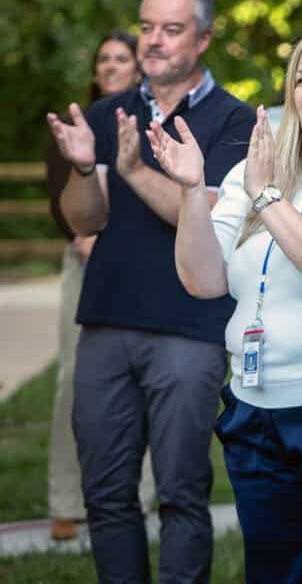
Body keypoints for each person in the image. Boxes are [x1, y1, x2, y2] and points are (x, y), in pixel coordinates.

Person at [148, 22, 302, 584]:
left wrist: (269, 199)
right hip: (252, 410)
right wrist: (193, 191)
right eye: (301, 78)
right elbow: (203, 279)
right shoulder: (257, 167)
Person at [46, 0, 254, 583]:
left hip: (187, 331)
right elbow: (84, 218)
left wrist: (132, 168)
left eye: (171, 29)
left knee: (181, 495)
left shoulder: (231, 120)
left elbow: (210, 215)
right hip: (106, 322)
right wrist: (87, 166)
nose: (153, 41)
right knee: (106, 496)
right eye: (146, 27)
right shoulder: (110, 114)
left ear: (205, 37)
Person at [45, 30, 157, 542]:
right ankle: (67, 501)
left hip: (140, 267)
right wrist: (86, 240)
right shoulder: (77, 123)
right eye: (103, 58)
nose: (111, 65)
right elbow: (61, 198)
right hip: (86, 263)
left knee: (152, 380)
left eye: (121, 58)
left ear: (137, 68)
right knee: (75, 379)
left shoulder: (151, 124)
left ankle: (141, 497)